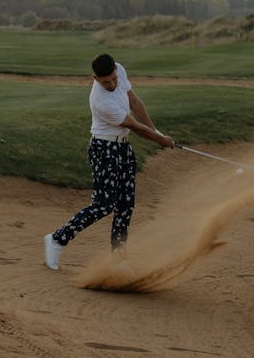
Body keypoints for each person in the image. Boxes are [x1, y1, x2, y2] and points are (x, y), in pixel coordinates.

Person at [44, 53, 175, 270]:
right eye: (106, 82)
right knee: (103, 206)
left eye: (113, 78)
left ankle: (119, 261)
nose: (112, 84)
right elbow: (132, 124)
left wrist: (156, 131)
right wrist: (159, 139)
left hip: (123, 148)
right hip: (104, 149)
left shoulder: (119, 70)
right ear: (95, 79)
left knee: (126, 206)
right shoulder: (100, 101)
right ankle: (57, 239)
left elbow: (134, 100)